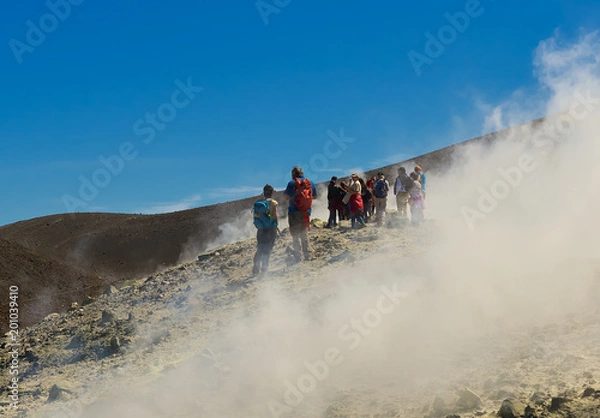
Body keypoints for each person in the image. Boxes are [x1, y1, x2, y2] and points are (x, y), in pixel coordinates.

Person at [283, 166, 318, 262]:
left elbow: (286, 196)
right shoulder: (310, 183)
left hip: (293, 212)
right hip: (306, 212)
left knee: (295, 235)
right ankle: (307, 255)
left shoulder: (292, 183)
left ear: (293, 174)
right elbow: (315, 196)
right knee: (304, 233)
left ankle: (298, 257)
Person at [252, 184, 279, 275]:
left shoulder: (259, 203)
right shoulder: (273, 203)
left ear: (264, 193)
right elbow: (275, 216)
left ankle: (255, 268)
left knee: (260, 248)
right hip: (270, 229)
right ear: (272, 193)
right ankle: (264, 270)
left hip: (260, 229)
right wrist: (276, 224)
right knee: (268, 250)